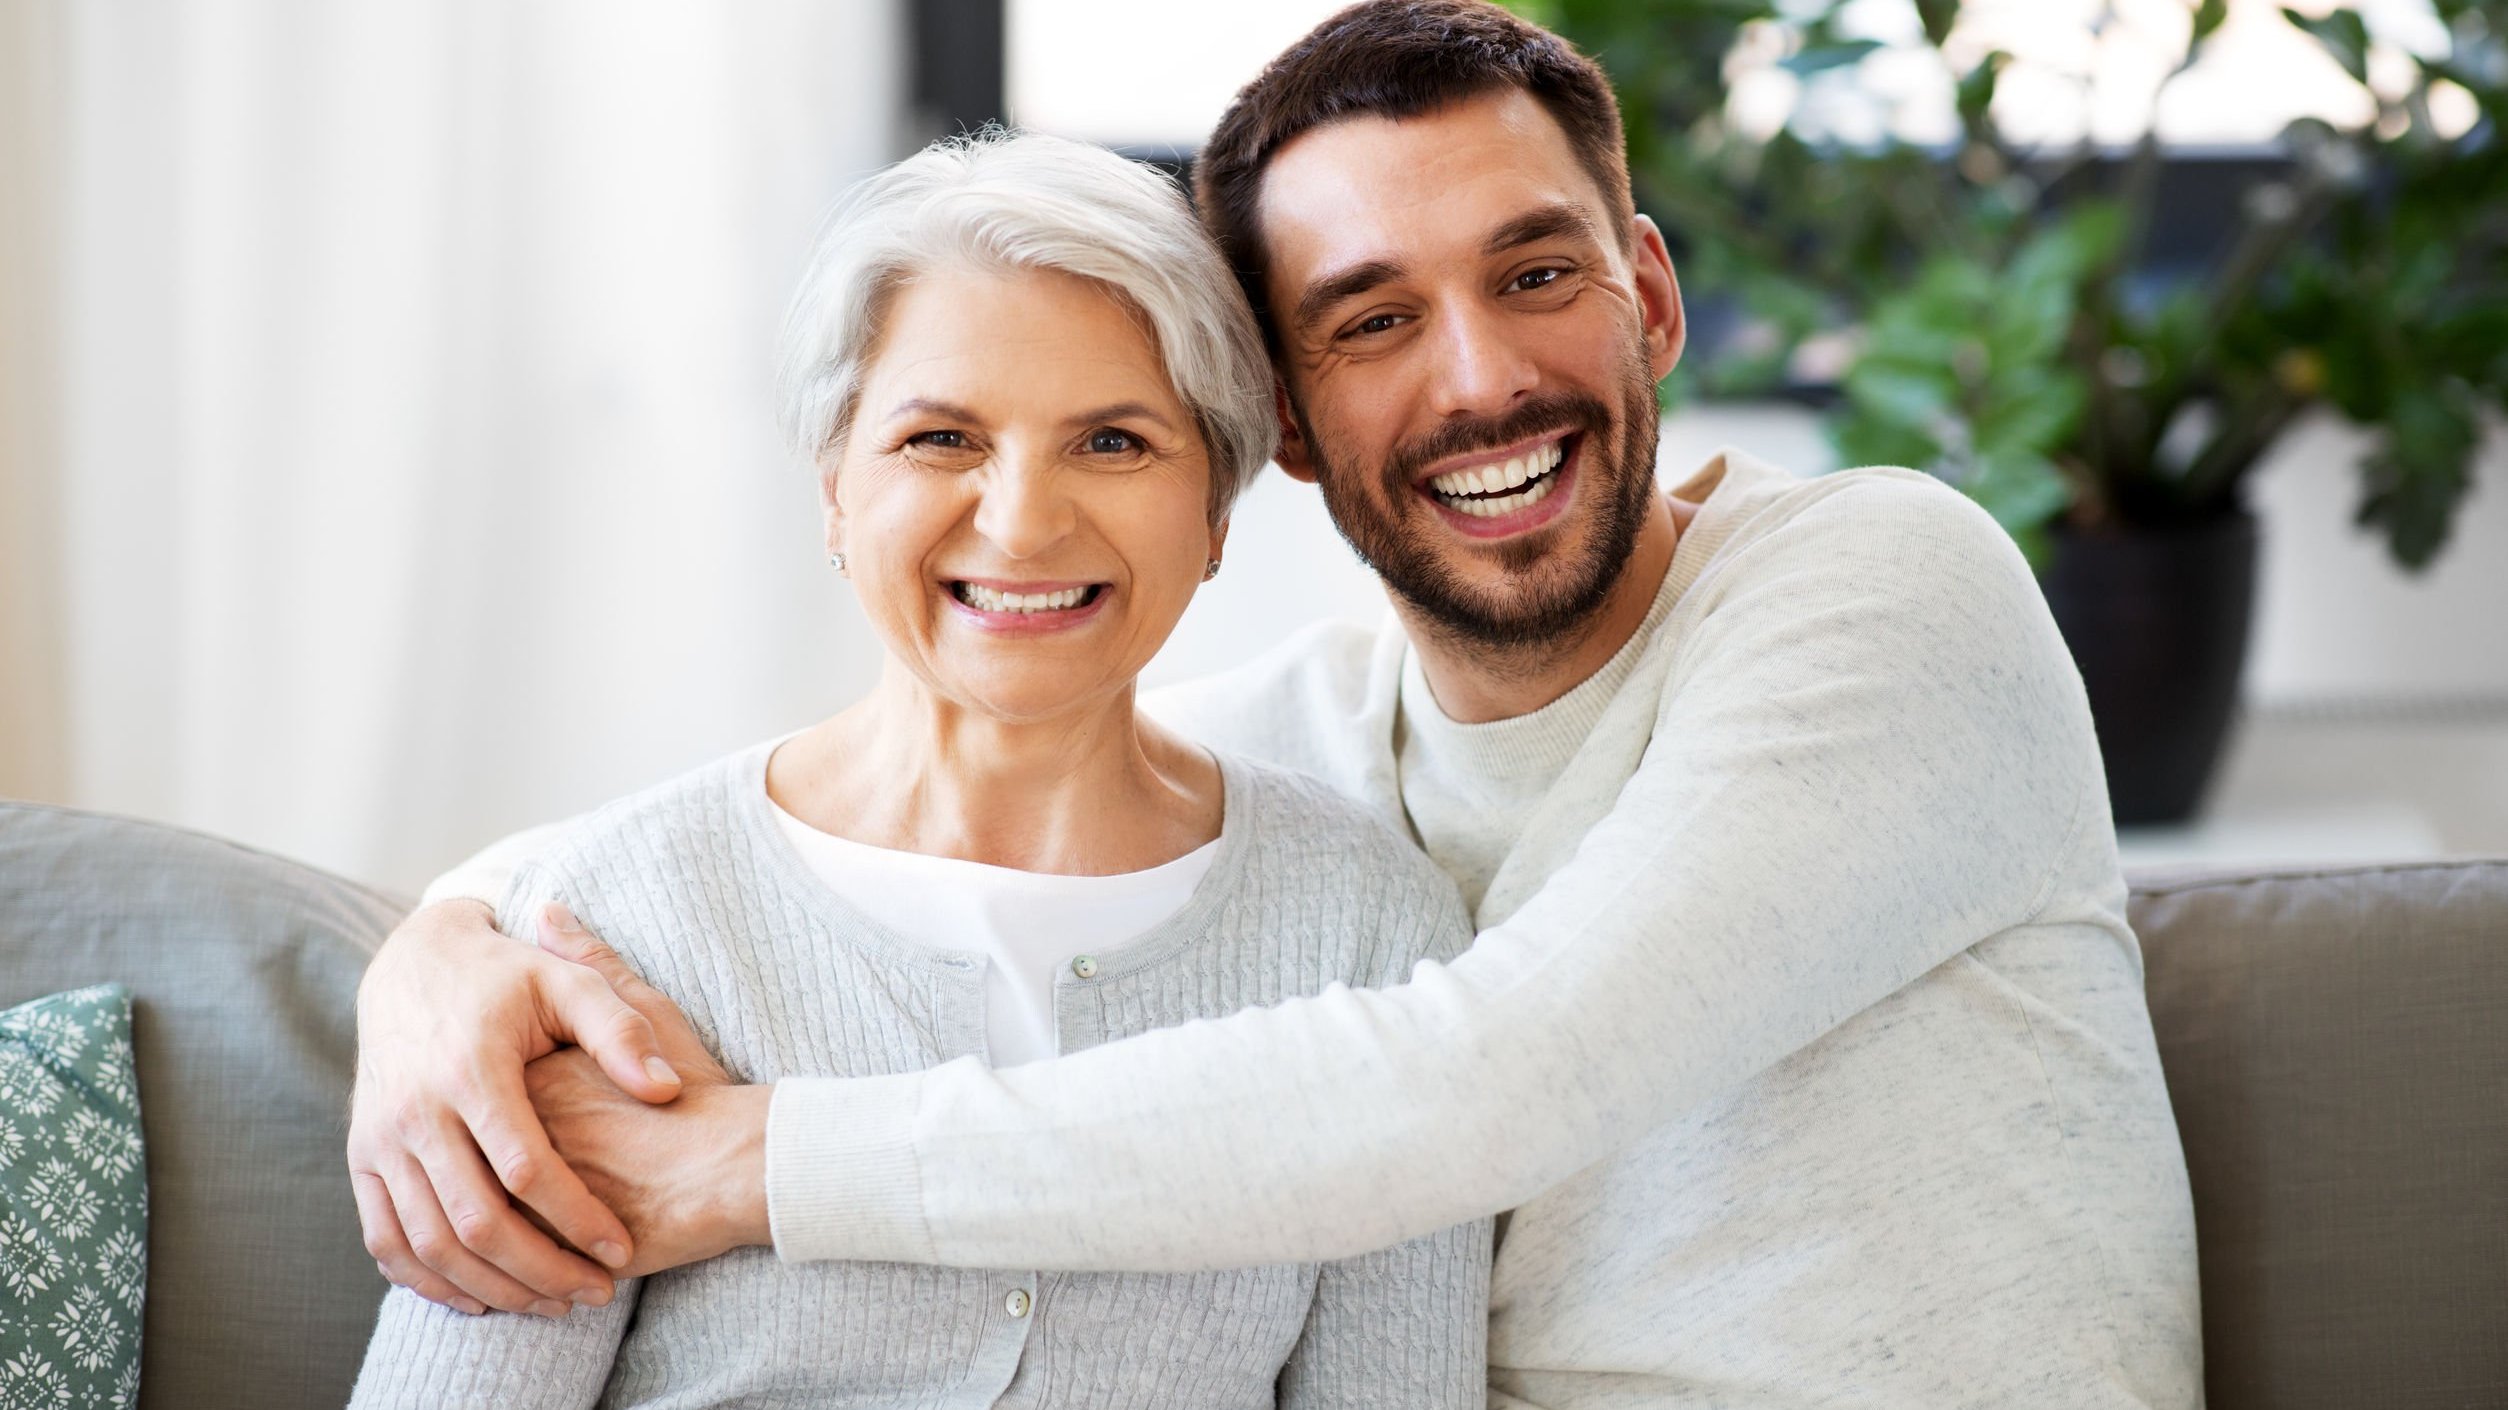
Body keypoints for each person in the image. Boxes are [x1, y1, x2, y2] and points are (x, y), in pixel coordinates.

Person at [350, 2, 2205, 1405]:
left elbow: (1490, 1078)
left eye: (1534, 273)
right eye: (1373, 317)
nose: (1480, 377)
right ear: (1289, 436)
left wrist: (756, 1161)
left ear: (1646, 297)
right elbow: (907, 783)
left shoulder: (1881, 586)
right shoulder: (1310, 745)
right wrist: (438, 952)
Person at [345, 128, 1490, 1408]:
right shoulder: (607, 931)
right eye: (940, 438)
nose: (1022, 521)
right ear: (836, 488)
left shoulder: (1369, 934)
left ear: (1214, 511)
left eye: (1113, 442)